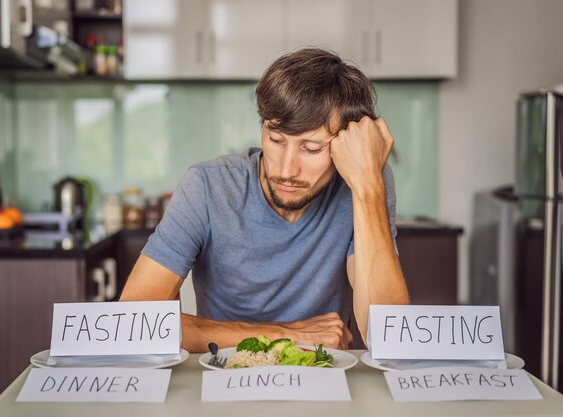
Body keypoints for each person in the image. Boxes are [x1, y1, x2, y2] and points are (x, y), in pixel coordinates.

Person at [120, 48, 409, 352]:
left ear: (347, 145)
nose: (285, 170)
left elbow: (388, 336)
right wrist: (286, 335)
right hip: (224, 375)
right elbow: (134, 323)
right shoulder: (207, 186)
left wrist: (367, 185)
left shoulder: (365, 182)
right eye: (276, 139)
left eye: (311, 149)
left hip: (323, 377)